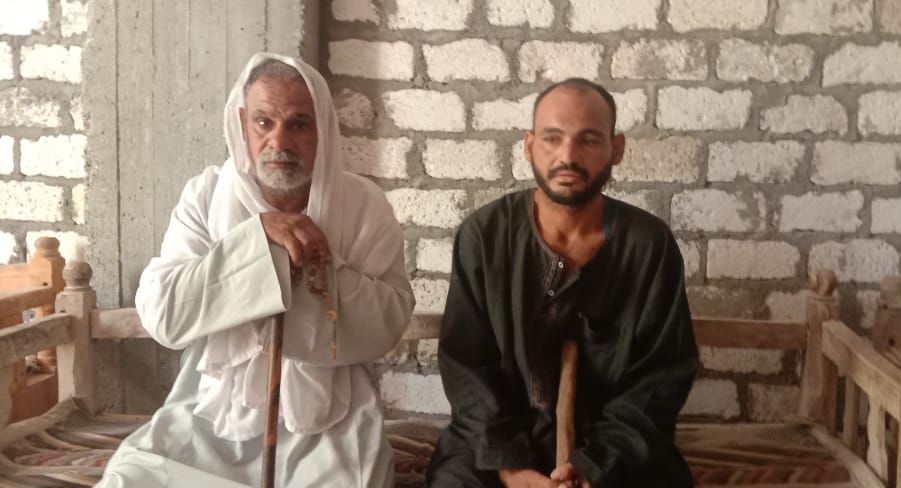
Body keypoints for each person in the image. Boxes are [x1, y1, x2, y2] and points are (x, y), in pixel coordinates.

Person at [97, 53, 415, 488]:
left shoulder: (363, 205)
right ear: (242, 125)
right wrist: (256, 243)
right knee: (130, 480)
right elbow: (164, 314)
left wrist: (308, 265)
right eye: (264, 122)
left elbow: (388, 322)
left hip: (332, 415)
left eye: (299, 124)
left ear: (323, 128)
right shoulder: (206, 196)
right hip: (210, 410)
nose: (279, 141)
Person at [426, 78, 698, 488]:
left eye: (588, 140)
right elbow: (467, 366)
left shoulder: (649, 245)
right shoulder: (485, 235)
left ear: (616, 148)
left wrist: (594, 466)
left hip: (615, 451)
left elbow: (659, 378)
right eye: (552, 139)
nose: (567, 156)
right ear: (529, 145)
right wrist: (509, 467)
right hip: (495, 444)